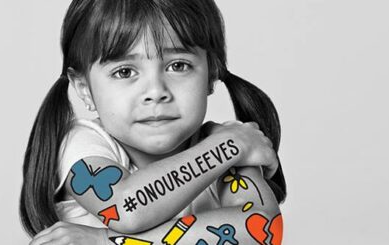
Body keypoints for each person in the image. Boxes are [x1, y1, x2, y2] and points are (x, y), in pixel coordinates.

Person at [20, 0, 287, 244]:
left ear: (211, 74)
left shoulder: (223, 143)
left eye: (178, 66)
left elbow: (264, 229)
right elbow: (126, 208)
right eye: (124, 72)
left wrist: (105, 241)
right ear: (84, 89)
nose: (156, 91)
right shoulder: (83, 145)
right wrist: (229, 148)